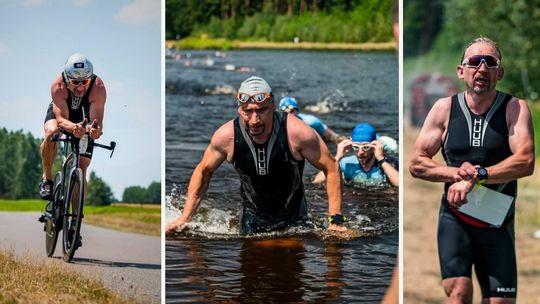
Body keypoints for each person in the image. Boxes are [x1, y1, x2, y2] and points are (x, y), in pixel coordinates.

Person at [409, 37, 534, 303]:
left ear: (499, 72)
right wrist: (456, 174)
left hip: (498, 221)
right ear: (460, 70)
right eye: (474, 62)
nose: (482, 69)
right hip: (456, 219)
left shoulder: (515, 108)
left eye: (490, 63)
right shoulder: (444, 109)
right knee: (459, 293)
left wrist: (478, 175)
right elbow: (417, 163)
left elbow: (525, 161)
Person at [166, 76, 348, 235]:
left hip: (295, 218)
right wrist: (185, 218)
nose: (255, 120)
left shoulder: (298, 133)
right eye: (248, 111)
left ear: (273, 107)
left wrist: (336, 221)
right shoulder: (226, 137)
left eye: (261, 110)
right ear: (239, 109)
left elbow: (331, 167)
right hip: (252, 219)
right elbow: (203, 171)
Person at [38, 54, 106, 243]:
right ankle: (47, 179)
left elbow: (98, 125)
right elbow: (60, 120)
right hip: (61, 114)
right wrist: (72, 128)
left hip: (84, 117)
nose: (80, 87)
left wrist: (93, 131)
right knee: (52, 132)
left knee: (82, 166)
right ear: (67, 79)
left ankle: (75, 223)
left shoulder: (98, 88)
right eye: (75, 82)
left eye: (84, 81)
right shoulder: (57, 86)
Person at [312, 123, 399, 187]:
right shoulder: (346, 163)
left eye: (365, 147)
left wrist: (381, 159)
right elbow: (317, 182)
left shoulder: (389, 164)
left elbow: (400, 185)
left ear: (374, 146)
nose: (360, 152)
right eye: (356, 147)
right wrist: (337, 157)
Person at [279, 96, 345, 144]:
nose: (289, 115)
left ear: (297, 111)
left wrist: (341, 140)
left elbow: (332, 136)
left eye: (292, 111)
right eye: (284, 112)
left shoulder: (310, 122)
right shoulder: (274, 124)